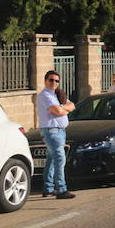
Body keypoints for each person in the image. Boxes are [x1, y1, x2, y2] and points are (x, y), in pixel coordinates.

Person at [36, 70, 76, 199]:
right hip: (51, 130)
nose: (54, 83)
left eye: (56, 80)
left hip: (60, 131)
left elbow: (72, 105)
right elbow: (57, 110)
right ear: (45, 81)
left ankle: (48, 188)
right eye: (51, 80)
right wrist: (64, 109)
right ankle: (61, 189)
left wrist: (63, 108)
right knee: (60, 158)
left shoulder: (57, 94)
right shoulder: (44, 95)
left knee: (52, 159)